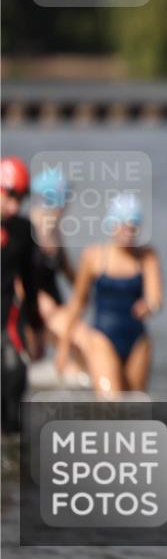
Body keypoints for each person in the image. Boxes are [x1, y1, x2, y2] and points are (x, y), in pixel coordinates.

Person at [58, 194, 163, 397]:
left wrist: (149, 306)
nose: (127, 232)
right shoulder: (94, 256)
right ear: (111, 224)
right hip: (102, 337)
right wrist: (63, 347)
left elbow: (156, 297)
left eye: (132, 226)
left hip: (137, 340)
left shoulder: (147, 256)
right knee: (110, 403)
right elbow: (78, 302)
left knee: (134, 404)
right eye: (122, 225)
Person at [27, 167, 92, 385]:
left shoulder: (54, 227)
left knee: (80, 340)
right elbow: (16, 270)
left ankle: (74, 379)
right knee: (81, 339)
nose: (67, 204)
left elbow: (67, 270)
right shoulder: (31, 226)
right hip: (37, 303)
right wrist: (35, 299)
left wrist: (87, 289)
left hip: (56, 302)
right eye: (65, 198)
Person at [1, 156, 44, 433]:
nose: (16, 205)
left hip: (8, 321)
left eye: (22, 197)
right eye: (10, 196)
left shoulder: (23, 230)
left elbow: (30, 283)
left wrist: (37, 329)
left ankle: (14, 465)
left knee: (14, 383)